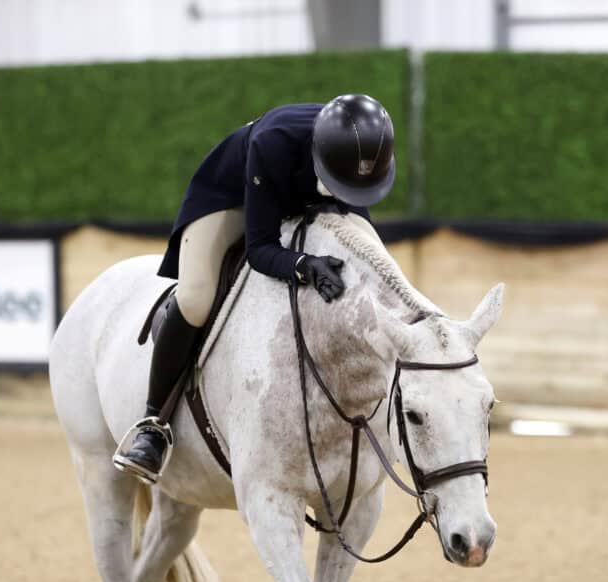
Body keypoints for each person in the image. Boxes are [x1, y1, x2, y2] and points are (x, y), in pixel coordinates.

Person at [112, 93, 397, 484]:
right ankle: (152, 425)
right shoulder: (274, 141)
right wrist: (304, 265)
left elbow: (367, 250)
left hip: (307, 195)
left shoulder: (354, 158)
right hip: (230, 198)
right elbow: (260, 248)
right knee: (196, 299)